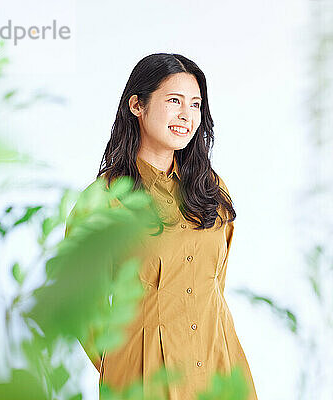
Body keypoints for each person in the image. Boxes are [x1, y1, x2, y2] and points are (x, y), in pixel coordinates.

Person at [77, 53, 258, 400]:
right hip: (146, 377)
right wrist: (124, 363)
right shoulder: (104, 200)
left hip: (220, 368)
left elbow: (216, 283)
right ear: (137, 105)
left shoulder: (211, 189)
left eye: (195, 105)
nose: (186, 115)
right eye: (174, 101)